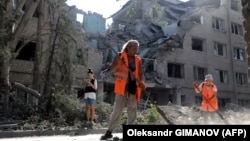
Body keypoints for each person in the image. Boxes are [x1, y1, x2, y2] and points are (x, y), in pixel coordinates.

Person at [100, 39, 145, 140]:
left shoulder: (138, 60)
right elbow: (112, 69)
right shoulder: (120, 56)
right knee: (118, 109)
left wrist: (142, 82)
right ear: (128, 48)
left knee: (132, 109)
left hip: (133, 86)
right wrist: (119, 64)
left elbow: (141, 73)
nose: (136, 51)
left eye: (137, 49)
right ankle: (109, 132)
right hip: (122, 87)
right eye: (134, 49)